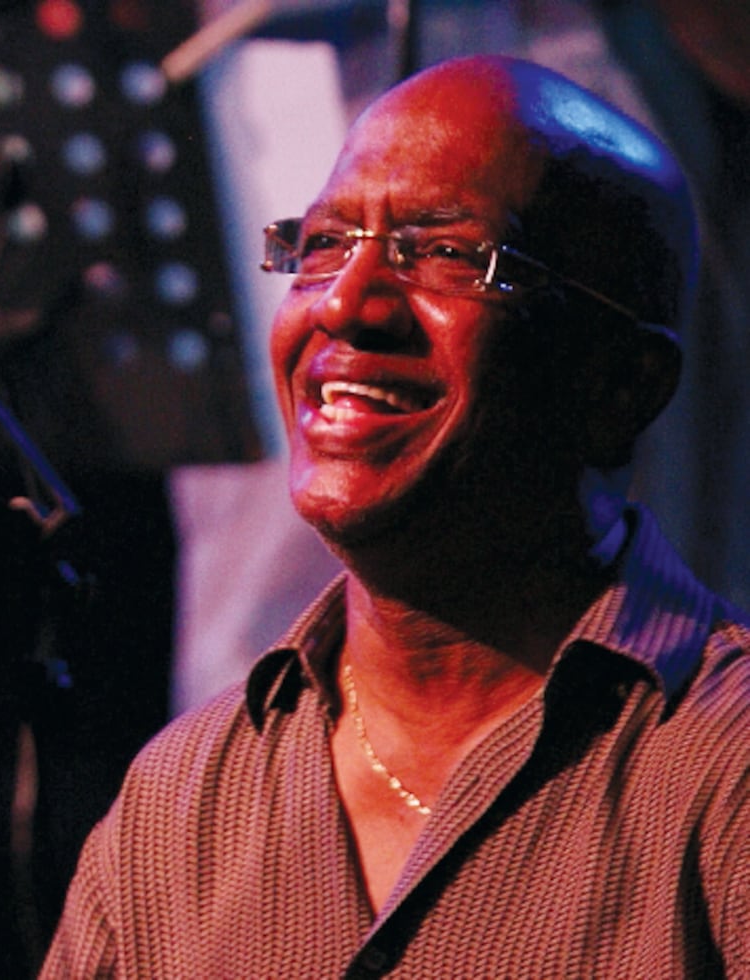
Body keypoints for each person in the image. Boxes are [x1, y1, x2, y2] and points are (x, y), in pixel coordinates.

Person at [40, 55, 749, 977]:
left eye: (449, 253)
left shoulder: (720, 770)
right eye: (326, 244)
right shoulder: (182, 799)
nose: (345, 303)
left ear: (621, 385)